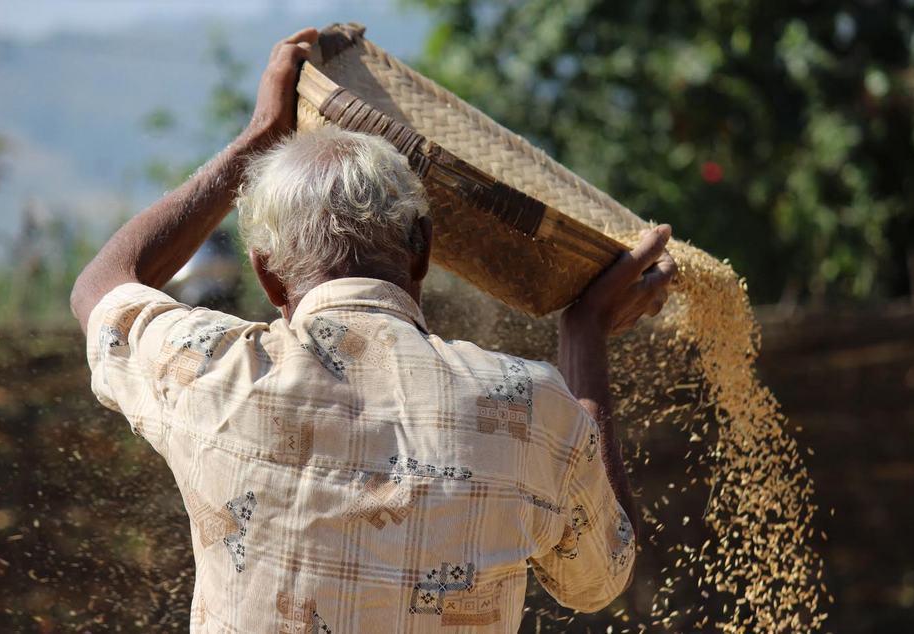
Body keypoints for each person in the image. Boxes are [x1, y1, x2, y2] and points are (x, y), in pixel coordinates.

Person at [71, 27, 676, 633]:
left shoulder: (211, 372)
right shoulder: (530, 406)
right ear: (422, 251)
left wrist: (257, 140)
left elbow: (102, 286)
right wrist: (585, 338)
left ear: (269, 277)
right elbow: (599, 578)